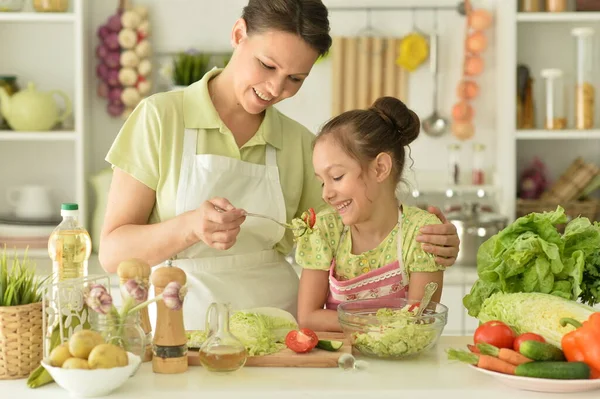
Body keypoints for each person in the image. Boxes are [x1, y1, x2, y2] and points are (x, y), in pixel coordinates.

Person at [99, 0, 460, 330]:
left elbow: (349, 234)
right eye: (267, 65)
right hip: (180, 328)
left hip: (279, 332)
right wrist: (191, 226)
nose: (274, 89)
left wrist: (423, 238)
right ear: (239, 34)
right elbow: (113, 254)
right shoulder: (161, 118)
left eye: (295, 79)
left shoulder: (300, 143)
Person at [296, 97, 447, 332]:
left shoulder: (421, 232)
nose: (326, 194)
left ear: (380, 168)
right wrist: (378, 325)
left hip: (402, 363)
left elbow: (420, 322)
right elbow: (308, 317)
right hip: (340, 362)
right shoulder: (324, 229)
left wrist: (361, 325)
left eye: (336, 177)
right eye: (321, 182)